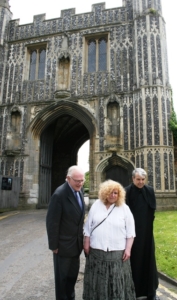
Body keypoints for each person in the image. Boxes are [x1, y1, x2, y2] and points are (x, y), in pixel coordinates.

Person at [83, 179, 136, 300]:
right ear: (104, 193)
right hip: (97, 252)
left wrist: (128, 249)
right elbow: (88, 226)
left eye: (116, 193)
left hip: (117, 253)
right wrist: (86, 242)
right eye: (110, 192)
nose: (113, 195)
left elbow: (131, 232)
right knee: (97, 282)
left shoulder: (124, 208)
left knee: (117, 282)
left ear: (120, 194)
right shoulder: (96, 205)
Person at [46, 165, 85, 300]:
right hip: (62, 247)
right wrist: (54, 245)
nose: (80, 183)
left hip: (76, 245)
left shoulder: (79, 191)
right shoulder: (59, 194)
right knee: (62, 281)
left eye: (82, 180)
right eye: (77, 181)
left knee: (72, 278)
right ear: (68, 179)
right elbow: (52, 222)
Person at [125, 168, 159, 300]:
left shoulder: (149, 191)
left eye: (143, 179)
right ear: (133, 179)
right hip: (132, 235)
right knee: (134, 261)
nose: (141, 182)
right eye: (138, 179)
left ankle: (150, 291)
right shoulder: (126, 191)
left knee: (149, 260)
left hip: (147, 233)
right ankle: (134, 291)